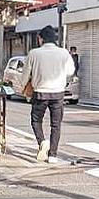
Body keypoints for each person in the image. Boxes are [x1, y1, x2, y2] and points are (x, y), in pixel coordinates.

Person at [22, 26, 76, 163]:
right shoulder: (64, 53)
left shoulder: (34, 53)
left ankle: (42, 141)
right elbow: (70, 71)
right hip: (58, 93)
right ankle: (53, 155)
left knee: (36, 121)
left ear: (41, 39)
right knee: (56, 124)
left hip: (40, 92)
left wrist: (23, 86)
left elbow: (25, 74)